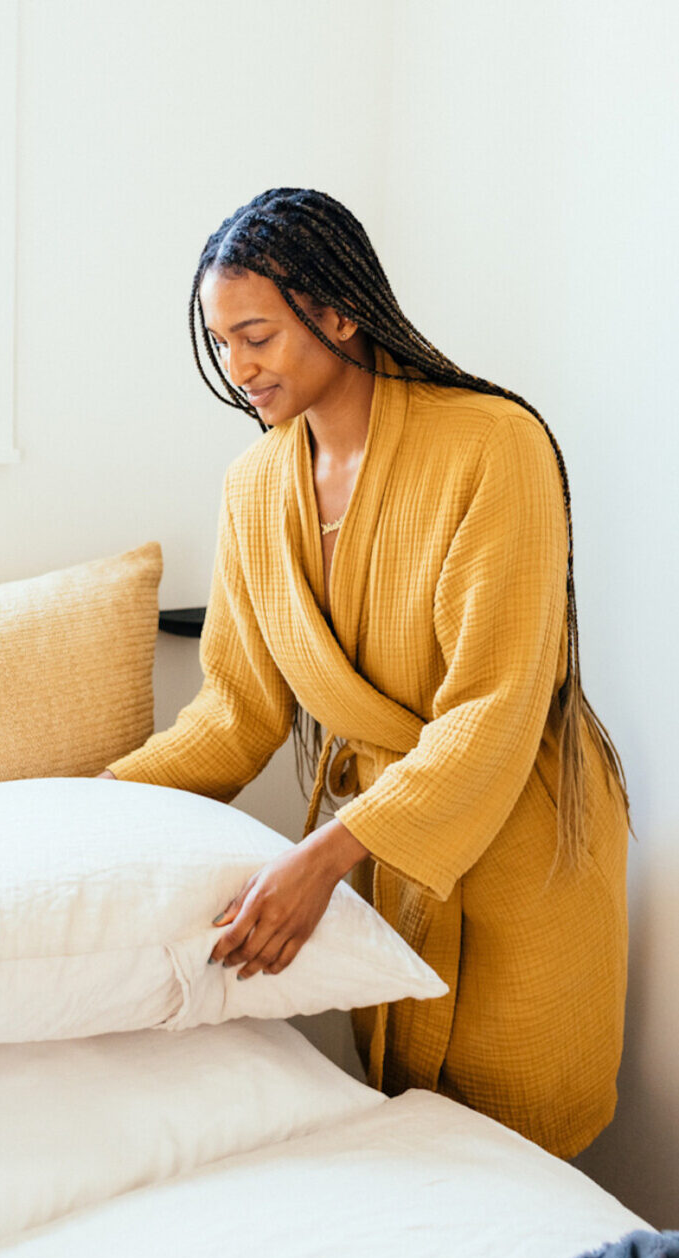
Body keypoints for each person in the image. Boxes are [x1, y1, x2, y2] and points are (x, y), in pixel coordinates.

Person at [99, 187, 633, 1160]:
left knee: (522, 1149)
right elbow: (234, 713)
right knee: (416, 1146)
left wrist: (320, 857)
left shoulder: (493, 444)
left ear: (337, 312)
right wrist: (82, 805)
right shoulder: (253, 488)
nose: (237, 366)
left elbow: (494, 707)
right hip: (378, 851)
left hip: (517, 837)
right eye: (221, 343)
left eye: (255, 334)